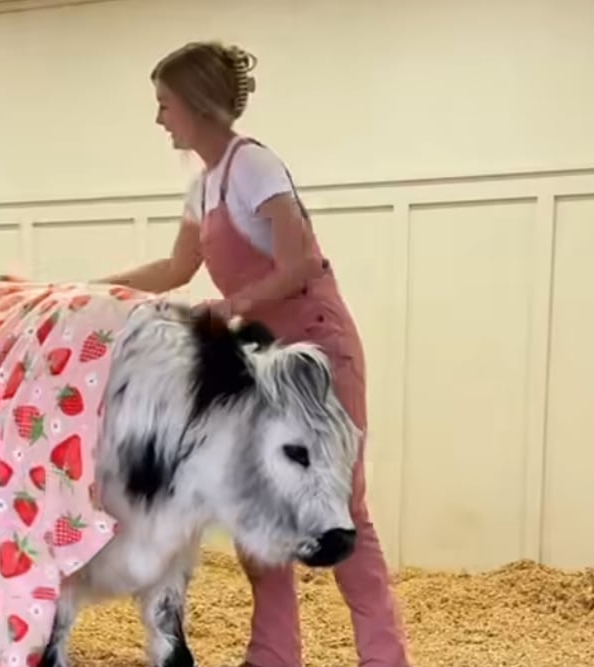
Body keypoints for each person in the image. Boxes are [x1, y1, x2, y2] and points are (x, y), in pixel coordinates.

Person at [95, 40, 411, 667]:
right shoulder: (203, 187)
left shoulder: (255, 167)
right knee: (256, 509)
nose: (159, 118)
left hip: (319, 349)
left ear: (196, 105)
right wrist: (99, 290)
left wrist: (229, 306)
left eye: (165, 104)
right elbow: (176, 268)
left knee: (341, 504)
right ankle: (273, 654)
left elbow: (302, 264)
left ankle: (384, 656)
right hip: (262, 360)